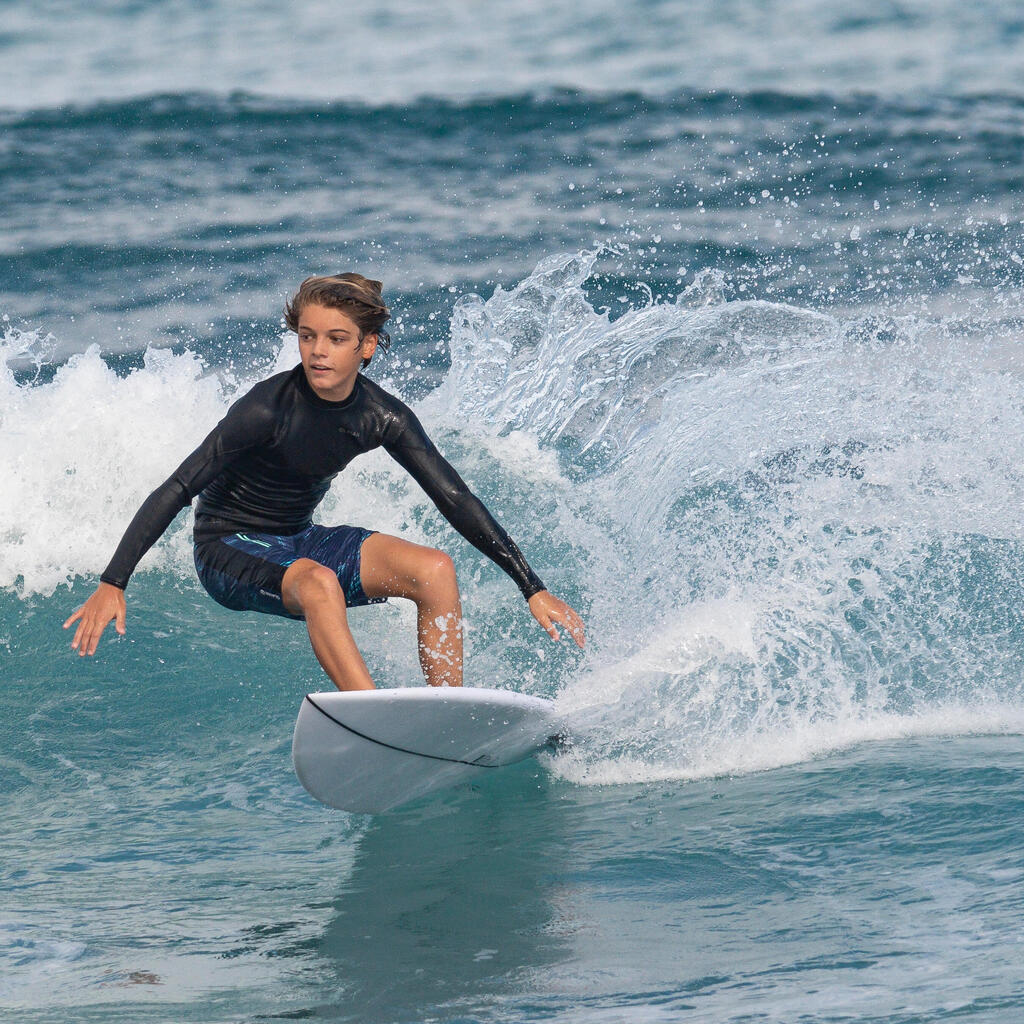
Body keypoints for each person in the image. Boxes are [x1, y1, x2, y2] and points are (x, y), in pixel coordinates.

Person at [64, 273, 585, 690]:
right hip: (227, 547)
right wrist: (114, 581)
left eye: (336, 339)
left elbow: (454, 497)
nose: (318, 351)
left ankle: (443, 710)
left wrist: (531, 587)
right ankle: (373, 715)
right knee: (319, 582)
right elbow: (180, 487)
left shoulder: (382, 416)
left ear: (367, 347)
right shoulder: (265, 409)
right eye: (308, 337)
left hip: (297, 538)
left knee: (435, 569)